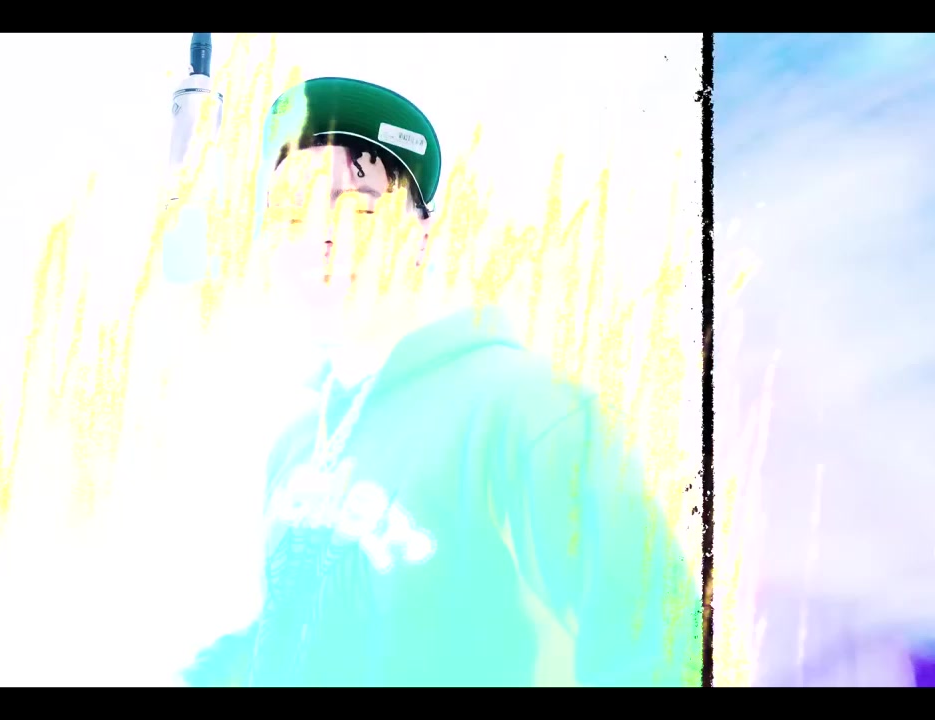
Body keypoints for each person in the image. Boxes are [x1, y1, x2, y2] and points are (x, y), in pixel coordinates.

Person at [178, 76, 699, 687]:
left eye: (359, 209)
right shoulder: (298, 439)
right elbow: (294, 635)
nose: (321, 237)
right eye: (293, 212)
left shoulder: (524, 410)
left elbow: (659, 645)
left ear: (421, 236)